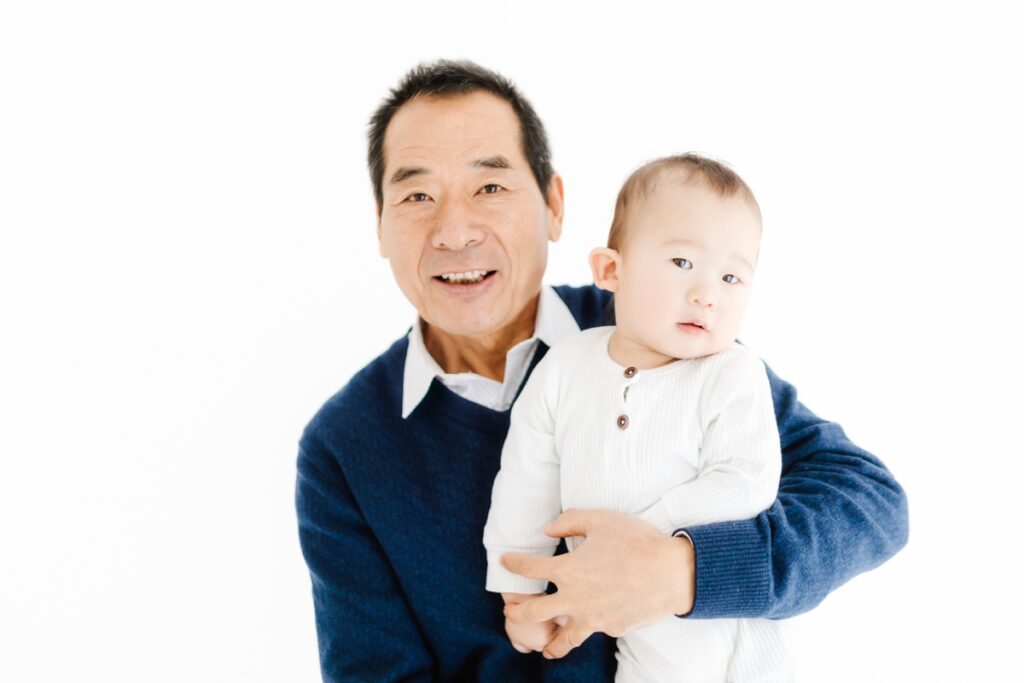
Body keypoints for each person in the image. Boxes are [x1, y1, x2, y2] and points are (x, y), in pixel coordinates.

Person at [295, 59, 908, 682]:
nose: (455, 232)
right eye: (417, 195)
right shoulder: (345, 446)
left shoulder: (661, 331)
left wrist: (680, 573)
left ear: (554, 206)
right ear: (379, 225)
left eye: (490, 186)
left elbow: (866, 501)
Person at [484, 153, 790, 681]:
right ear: (611, 270)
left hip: (724, 618)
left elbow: (747, 480)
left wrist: (639, 542)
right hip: (631, 632)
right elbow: (527, 478)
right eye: (681, 264)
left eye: (732, 277)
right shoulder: (566, 367)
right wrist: (521, 591)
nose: (706, 294)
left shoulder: (732, 372)